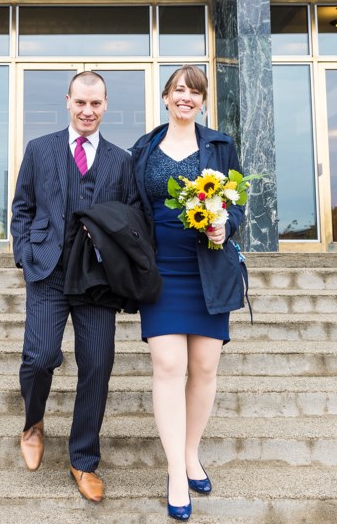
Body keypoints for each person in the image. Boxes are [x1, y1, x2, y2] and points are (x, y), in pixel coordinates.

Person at [10, 70, 140, 503]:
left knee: (98, 366)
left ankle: (83, 459)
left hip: (96, 282)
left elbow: (132, 221)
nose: (88, 111)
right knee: (40, 356)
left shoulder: (122, 162)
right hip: (47, 271)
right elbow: (22, 209)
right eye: (80, 103)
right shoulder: (39, 149)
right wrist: (25, 256)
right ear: (68, 101)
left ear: (106, 105)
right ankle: (33, 422)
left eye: (96, 104)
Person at [129, 65, 247, 521]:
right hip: (159, 272)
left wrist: (225, 224)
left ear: (202, 101)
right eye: (179, 90)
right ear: (165, 97)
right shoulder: (143, 149)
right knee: (168, 365)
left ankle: (192, 452)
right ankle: (176, 472)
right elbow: (132, 206)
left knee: (203, 367)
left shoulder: (220, 145)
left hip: (209, 268)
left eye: (194, 92)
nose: (186, 98)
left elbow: (237, 201)